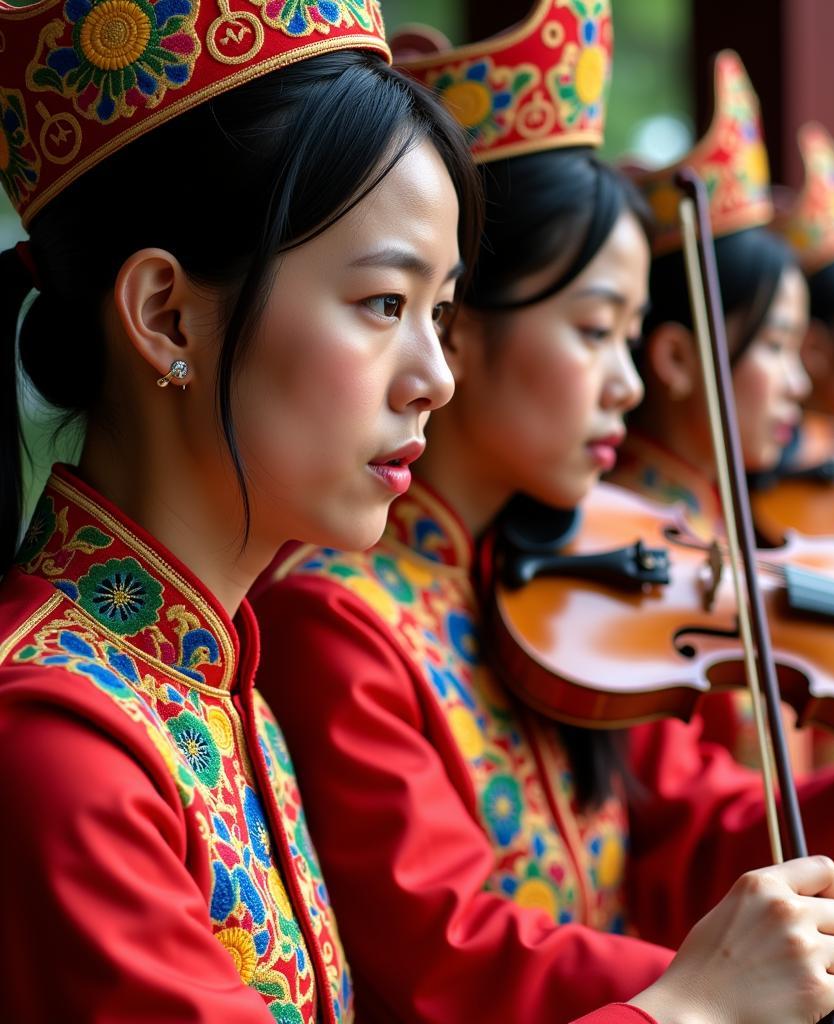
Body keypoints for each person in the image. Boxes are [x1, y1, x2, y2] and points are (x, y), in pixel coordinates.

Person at [252, 28, 834, 1024]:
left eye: (627, 333)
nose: (626, 379)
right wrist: (700, 990)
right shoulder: (336, 613)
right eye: (593, 329)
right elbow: (452, 954)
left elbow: (690, 844)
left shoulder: (576, 587)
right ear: (464, 333)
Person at [0, 1, 483, 1018]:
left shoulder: (224, 690)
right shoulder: (53, 736)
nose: (434, 378)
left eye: (438, 312)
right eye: (384, 304)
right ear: (166, 315)